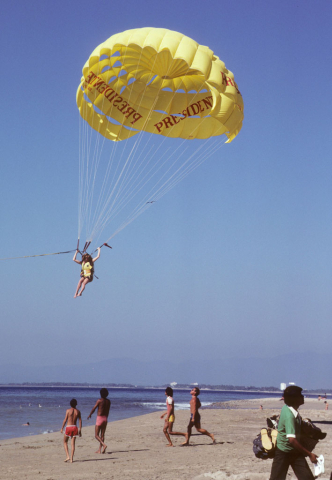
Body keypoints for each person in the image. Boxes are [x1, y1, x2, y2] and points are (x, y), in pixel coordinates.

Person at [269, 385, 319, 480]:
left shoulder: (287, 408)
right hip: (283, 452)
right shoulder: (290, 416)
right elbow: (291, 439)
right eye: (300, 395)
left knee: (307, 478)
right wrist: (309, 454)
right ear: (294, 399)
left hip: (294, 451)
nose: (303, 397)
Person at [87, 388, 111, 454]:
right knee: (102, 435)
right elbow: (108, 411)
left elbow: (94, 408)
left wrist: (90, 415)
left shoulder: (99, 400)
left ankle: (104, 445)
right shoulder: (108, 401)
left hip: (99, 418)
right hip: (105, 418)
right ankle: (100, 450)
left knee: (96, 435)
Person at [60, 398, 82, 463]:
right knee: (73, 444)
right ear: (76, 404)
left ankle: (67, 456)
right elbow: (80, 421)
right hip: (75, 427)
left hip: (69, 427)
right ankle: (71, 459)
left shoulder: (68, 411)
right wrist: (80, 429)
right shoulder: (78, 411)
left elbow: (65, 420)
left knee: (65, 442)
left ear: (70, 404)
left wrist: (62, 428)